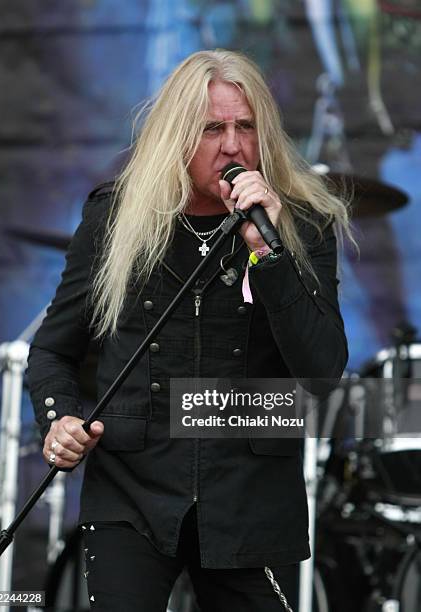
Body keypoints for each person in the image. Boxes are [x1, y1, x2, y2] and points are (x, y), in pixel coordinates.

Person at [27, 49, 350, 611]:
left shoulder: (302, 224)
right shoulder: (115, 218)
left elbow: (321, 371)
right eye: (212, 129)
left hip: (249, 489)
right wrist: (60, 419)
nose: (232, 146)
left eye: (245, 127)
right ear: (177, 135)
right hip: (132, 487)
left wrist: (267, 253)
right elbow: (54, 349)